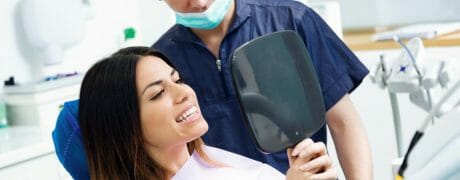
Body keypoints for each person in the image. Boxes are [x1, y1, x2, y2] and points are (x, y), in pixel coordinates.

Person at [53, 0, 372, 178]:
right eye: (158, 93)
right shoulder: (160, 58)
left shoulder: (291, 21)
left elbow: (344, 123)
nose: (198, 1)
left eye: (178, 80)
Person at [74, 46, 336, 179]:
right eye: (157, 94)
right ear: (124, 125)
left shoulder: (219, 165)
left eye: (177, 80)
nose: (184, 93)